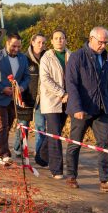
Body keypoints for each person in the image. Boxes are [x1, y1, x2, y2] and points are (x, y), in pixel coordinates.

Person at [64, 27, 108, 192]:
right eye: (100, 42)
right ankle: (71, 176)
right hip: (82, 109)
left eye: (106, 42)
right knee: (75, 143)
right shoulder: (77, 57)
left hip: (102, 109)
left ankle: (105, 180)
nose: (103, 46)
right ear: (91, 39)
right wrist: (77, 107)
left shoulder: (107, 59)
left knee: (105, 144)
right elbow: (71, 84)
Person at [0, 33, 29, 164]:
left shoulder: (23, 58)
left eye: (19, 47)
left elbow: (26, 77)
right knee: (2, 125)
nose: (16, 49)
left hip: (14, 99)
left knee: (7, 126)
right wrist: (2, 89)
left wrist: (22, 87)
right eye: (13, 46)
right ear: (7, 43)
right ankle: (4, 153)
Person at [13, 33, 48, 166]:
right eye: (38, 42)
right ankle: (18, 149)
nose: (41, 45)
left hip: (42, 98)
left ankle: (40, 152)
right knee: (23, 124)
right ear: (32, 42)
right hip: (26, 97)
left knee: (40, 126)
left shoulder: (47, 57)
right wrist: (19, 94)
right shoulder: (23, 58)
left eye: (43, 43)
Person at [38, 30, 69, 179]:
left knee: (54, 132)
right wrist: (61, 93)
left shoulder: (72, 56)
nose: (59, 40)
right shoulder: (46, 57)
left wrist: (69, 95)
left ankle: (41, 156)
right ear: (51, 41)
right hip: (51, 101)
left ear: (66, 40)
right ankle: (56, 170)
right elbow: (45, 79)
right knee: (55, 134)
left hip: (67, 101)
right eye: (56, 38)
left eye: (62, 38)